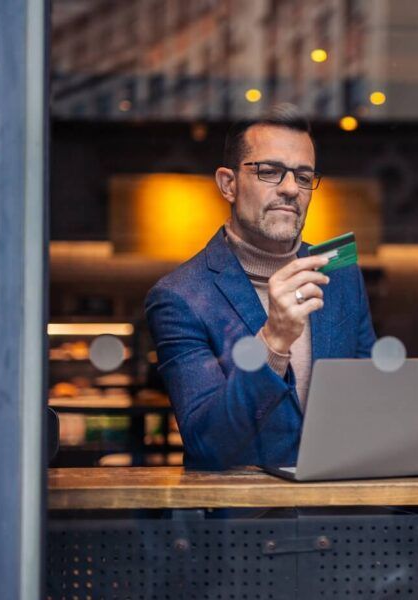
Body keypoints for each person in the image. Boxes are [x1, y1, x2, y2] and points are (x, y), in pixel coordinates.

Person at [145, 104, 376, 469]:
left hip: (339, 512)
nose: (290, 189)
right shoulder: (179, 295)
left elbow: (369, 401)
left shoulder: (341, 272)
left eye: (303, 177)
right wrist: (273, 341)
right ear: (228, 184)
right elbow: (208, 443)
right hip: (245, 518)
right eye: (270, 172)